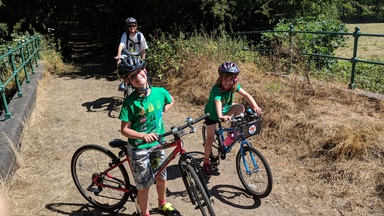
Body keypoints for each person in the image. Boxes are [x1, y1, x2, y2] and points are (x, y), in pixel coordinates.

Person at [117, 56, 179, 216]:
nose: (137, 76)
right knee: (144, 186)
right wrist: (142, 136)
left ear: (145, 70)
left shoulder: (160, 92)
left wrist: (163, 111)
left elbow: (171, 100)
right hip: (139, 148)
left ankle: (162, 203)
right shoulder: (130, 102)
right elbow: (124, 130)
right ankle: (145, 213)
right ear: (129, 82)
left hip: (158, 144)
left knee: (161, 177)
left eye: (139, 71)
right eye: (132, 76)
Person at [202, 61, 263, 177]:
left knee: (240, 107)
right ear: (220, 78)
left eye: (231, 79)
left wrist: (255, 106)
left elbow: (246, 95)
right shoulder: (216, 88)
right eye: (225, 79)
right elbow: (217, 101)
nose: (228, 82)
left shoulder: (233, 87)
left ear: (234, 80)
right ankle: (205, 162)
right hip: (213, 114)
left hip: (225, 111)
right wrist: (220, 116)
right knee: (209, 138)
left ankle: (231, 131)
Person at [115, 17, 148, 92]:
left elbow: (143, 49)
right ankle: (122, 81)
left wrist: (143, 60)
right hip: (126, 53)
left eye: (133, 25)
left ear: (136, 26)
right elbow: (121, 45)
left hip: (137, 55)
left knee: (143, 69)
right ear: (127, 27)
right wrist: (119, 57)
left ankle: (146, 85)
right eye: (130, 26)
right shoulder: (125, 35)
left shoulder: (140, 35)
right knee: (120, 65)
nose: (132, 28)